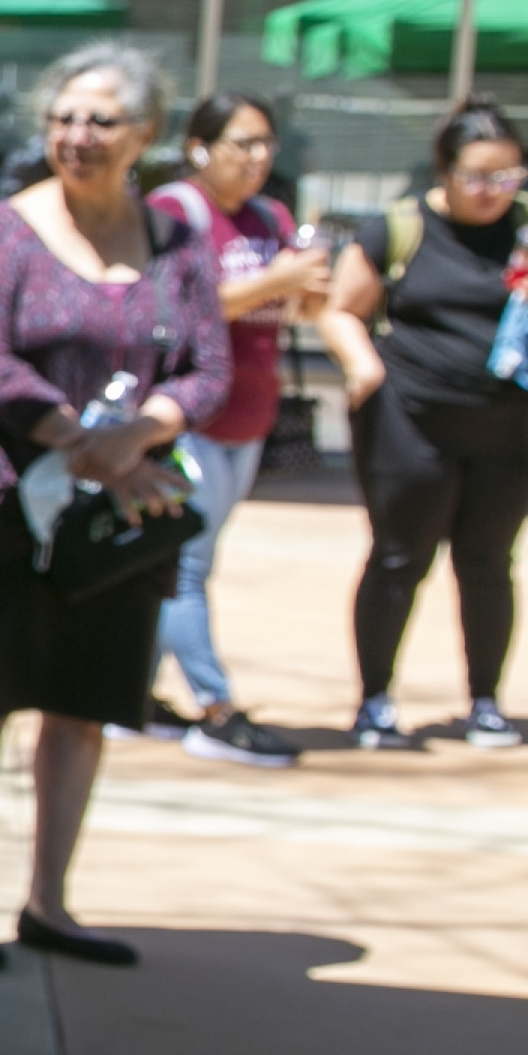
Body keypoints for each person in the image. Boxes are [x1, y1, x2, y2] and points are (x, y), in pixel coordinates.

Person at [0, 44, 225, 974]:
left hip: (112, 523)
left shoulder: (176, 242)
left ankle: (49, 901)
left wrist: (141, 436)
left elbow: (207, 367)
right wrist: (87, 444)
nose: (76, 136)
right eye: (62, 118)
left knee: (81, 707)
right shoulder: (4, 228)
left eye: (100, 121)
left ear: (146, 134)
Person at [316, 99, 528, 752]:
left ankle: (485, 702)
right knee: (400, 557)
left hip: (513, 427)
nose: (492, 191)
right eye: (477, 176)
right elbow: (342, 309)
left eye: (508, 176)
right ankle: (375, 701)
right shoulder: (400, 227)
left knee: (488, 562)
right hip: (412, 420)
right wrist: (364, 369)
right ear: (444, 171)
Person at [141, 96, 330, 767]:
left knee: (188, 559)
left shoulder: (270, 216)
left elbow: (294, 308)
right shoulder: (175, 211)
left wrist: (307, 288)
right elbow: (173, 307)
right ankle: (215, 709)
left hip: (251, 412)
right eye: (242, 143)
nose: (258, 157)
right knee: (185, 564)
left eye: (266, 144)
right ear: (199, 147)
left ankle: (130, 692)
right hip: (187, 415)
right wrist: (275, 279)